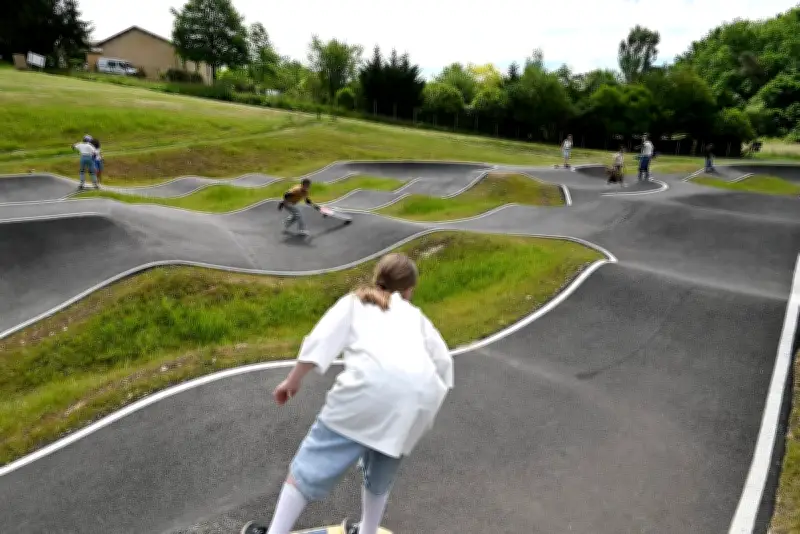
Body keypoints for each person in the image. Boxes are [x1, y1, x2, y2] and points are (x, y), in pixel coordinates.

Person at [241, 253, 454, 534]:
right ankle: (367, 531)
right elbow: (444, 363)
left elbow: (321, 340)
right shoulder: (416, 317)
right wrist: (420, 400)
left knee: (309, 466)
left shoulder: (356, 302)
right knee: (382, 469)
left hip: (367, 391)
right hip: (419, 401)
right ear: (409, 289)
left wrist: (292, 381)